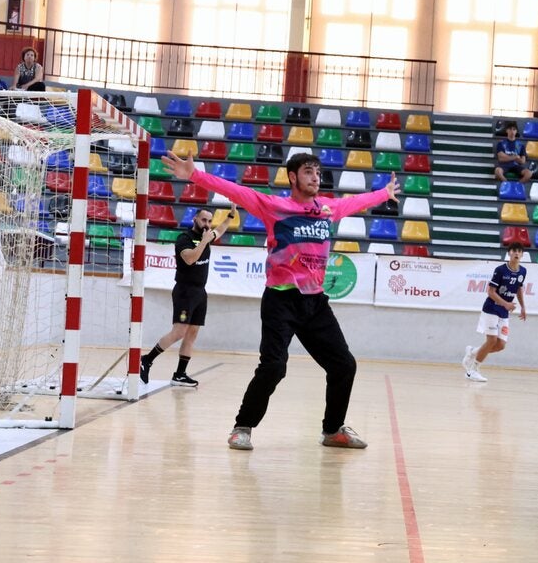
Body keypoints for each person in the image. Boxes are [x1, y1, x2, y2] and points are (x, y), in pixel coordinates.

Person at [161, 150, 400, 452]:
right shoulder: (275, 207)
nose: (316, 177)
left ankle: (332, 430)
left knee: (344, 365)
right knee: (274, 367)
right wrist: (195, 176)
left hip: (315, 304)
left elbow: (356, 202)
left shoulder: (327, 209)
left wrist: (383, 192)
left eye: (318, 172)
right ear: (293, 176)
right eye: (309, 171)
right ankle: (242, 427)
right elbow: (237, 191)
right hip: (280, 301)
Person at [139, 206, 238, 387]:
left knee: (192, 334)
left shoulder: (207, 236)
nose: (207, 224)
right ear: (195, 219)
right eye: (203, 220)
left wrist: (231, 215)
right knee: (179, 332)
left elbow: (221, 228)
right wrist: (203, 242)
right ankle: (146, 359)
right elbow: (190, 259)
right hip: (185, 291)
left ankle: (180, 374)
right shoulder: (184, 239)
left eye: (209, 221)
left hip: (200, 292)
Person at [463, 243, 527, 383]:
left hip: (504, 311)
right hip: (492, 308)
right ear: (509, 253)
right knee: (491, 340)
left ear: (522, 254)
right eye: (514, 251)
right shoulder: (500, 270)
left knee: (500, 345)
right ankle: (472, 370)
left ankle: (473, 352)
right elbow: (490, 292)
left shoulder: (523, 271)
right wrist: (505, 303)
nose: (516, 253)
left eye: (519, 251)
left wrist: (523, 307)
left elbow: (519, 289)